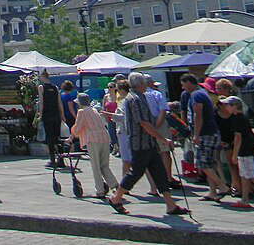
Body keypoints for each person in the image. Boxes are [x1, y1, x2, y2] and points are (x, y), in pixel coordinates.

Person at [108, 73, 189, 216]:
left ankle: (170, 205)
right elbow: (144, 123)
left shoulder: (140, 97)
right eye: (145, 82)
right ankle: (116, 198)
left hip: (148, 142)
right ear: (139, 84)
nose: (147, 84)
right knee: (136, 172)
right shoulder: (135, 99)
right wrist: (161, 138)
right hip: (140, 143)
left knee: (159, 172)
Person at [180, 73, 229, 201]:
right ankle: (212, 192)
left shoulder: (196, 95)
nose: (182, 87)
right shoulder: (201, 93)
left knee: (203, 163)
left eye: (183, 84)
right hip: (210, 132)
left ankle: (222, 186)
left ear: (189, 83)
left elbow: (198, 115)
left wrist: (196, 134)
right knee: (210, 163)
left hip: (205, 134)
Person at [221, 96, 254, 209]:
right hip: (247, 149)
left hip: (244, 151)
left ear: (235, 106)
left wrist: (234, 154)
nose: (226, 107)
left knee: (252, 175)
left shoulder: (237, 118)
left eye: (228, 105)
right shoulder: (242, 117)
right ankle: (245, 199)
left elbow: (238, 137)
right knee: (244, 175)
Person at [72, 93, 118, 199]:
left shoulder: (82, 112)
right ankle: (115, 185)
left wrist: (71, 137)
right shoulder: (94, 110)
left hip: (93, 140)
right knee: (104, 165)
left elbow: (78, 127)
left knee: (96, 166)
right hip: (104, 138)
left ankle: (100, 190)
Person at [144, 76, 180, 190]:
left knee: (151, 153)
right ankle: (168, 177)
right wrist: (157, 125)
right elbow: (163, 110)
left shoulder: (139, 95)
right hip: (158, 121)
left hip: (146, 122)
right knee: (165, 151)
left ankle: (156, 181)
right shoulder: (156, 94)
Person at [37, 70, 65, 168]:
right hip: (56, 115)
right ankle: (61, 160)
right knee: (58, 137)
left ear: (43, 77)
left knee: (50, 137)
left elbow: (41, 102)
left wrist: (40, 115)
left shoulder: (41, 87)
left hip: (47, 114)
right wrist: (62, 115)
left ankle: (52, 160)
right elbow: (59, 102)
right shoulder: (55, 87)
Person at [215, 98, 241, 196]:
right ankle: (234, 185)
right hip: (223, 140)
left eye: (227, 104)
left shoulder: (235, 117)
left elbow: (238, 134)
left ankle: (240, 186)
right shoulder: (216, 114)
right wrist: (220, 141)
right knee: (230, 164)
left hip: (233, 141)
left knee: (235, 165)